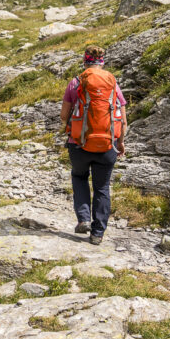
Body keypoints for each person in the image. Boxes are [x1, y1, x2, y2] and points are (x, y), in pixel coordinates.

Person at [60, 45, 127, 245]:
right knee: (102, 187)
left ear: (85, 61)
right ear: (102, 61)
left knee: (79, 176)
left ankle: (83, 218)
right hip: (107, 144)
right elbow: (122, 119)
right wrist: (120, 142)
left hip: (79, 143)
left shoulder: (76, 83)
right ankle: (97, 234)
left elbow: (64, 115)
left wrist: (70, 128)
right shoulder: (112, 84)